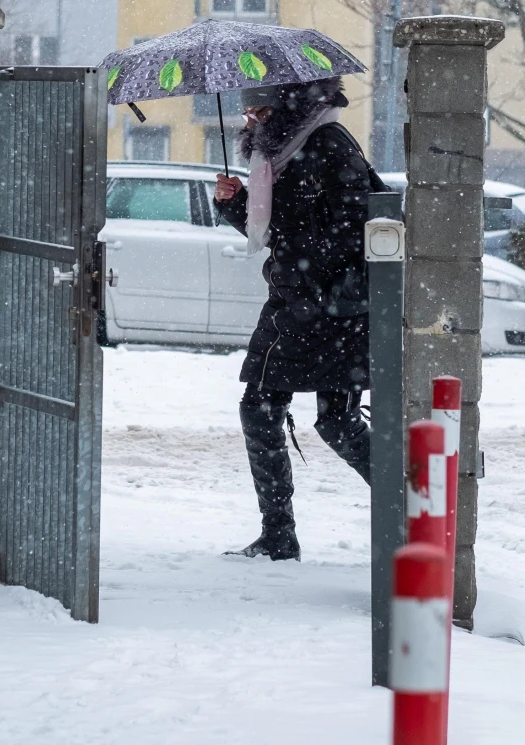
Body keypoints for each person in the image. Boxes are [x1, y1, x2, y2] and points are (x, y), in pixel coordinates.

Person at [213, 76, 376, 561]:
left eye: (259, 112)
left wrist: (301, 250)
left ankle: (409, 514)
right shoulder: (282, 154)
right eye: (248, 113)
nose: (250, 120)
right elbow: (276, 231)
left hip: (329, 308)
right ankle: (279, 534)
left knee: (337, 421)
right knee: (262, 408)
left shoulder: (327, 144)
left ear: (286, 107)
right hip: (297, 300)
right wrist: (236, 204)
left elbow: (349, 228)